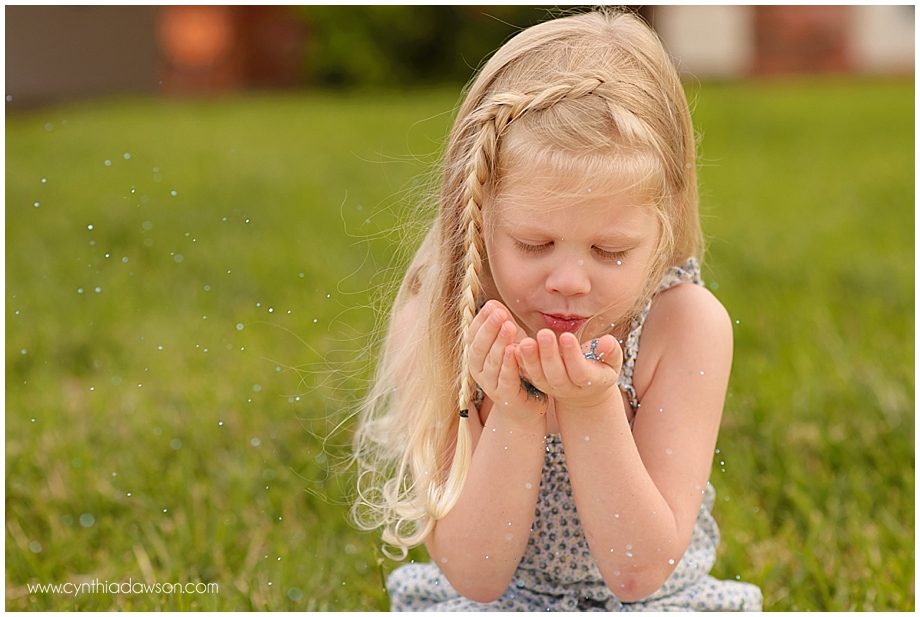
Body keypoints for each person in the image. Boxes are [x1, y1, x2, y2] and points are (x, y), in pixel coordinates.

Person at [350, 8, 763, 611]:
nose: (568, 281)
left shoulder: (685, 326)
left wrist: (591, 407)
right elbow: (476, 576)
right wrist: (513, 419)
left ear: (663, 222)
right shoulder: (444, 318)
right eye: (534, 245)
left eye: (610, 251)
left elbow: (639, 571)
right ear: (478, 213)